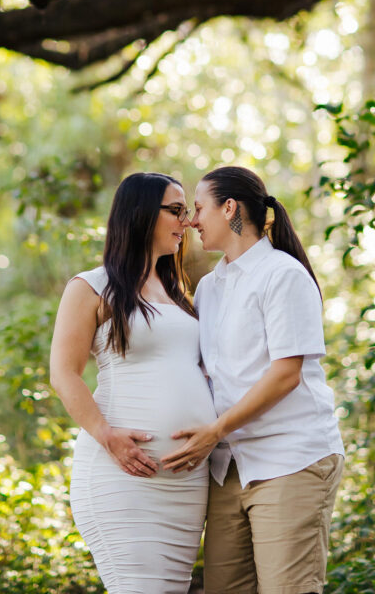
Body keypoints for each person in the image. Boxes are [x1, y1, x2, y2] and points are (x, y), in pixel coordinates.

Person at [161, 165, 345, 594]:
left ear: (230, 209)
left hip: (290, 459)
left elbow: (286, 375)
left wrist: (215, 430)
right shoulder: (209, 288)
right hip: (230, 468)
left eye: (199, 208)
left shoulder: (283, 275)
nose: (190, 221)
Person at [49, 171, 216, 594]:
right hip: (124, 473)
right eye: (176, 210)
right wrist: (107, 436)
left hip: (185, 483)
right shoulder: (91, 286)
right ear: (142, 214)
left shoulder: (177, 292)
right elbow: (63, 373)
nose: (188, 221)